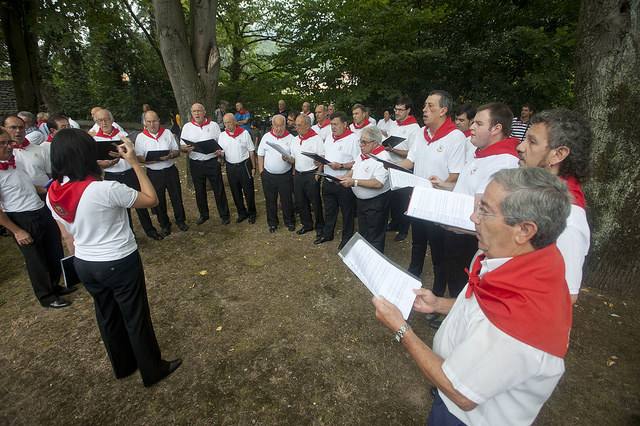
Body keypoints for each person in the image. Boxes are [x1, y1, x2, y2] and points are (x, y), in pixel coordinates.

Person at [373, 167, 573, 426]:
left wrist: (402, 329)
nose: (472, 217)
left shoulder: (521, 323)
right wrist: (441, 304)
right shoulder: (518, 262)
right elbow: (484, 308)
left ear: (524, 231)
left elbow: (461, 393)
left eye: (485, 211)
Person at [47, 128, 182, 387]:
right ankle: (152, 369)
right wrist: (133, 163)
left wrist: (80, 258)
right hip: (118, 260)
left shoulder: (53, 194)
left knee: (106, 313)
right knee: (135, 315)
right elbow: (151, 199)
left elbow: (67, 237)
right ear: (86, 156)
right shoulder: (105, 189)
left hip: (85, 262)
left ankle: (123, 365)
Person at [428, 103, 519, 328]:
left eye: (479, 123)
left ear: (496, 128)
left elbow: (484, 207)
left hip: (469, 236)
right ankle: (453, 317)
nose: (471, 128)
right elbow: (468, 189)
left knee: (464, 284)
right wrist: (445, 186)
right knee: (455, 280)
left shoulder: (504, 161)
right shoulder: (481, 154)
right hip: (456, 230)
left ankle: (460, 326)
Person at [393, 91, 466, 297]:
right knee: (417, 242)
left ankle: (437, 292)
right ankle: (412, 276)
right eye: (424, 105)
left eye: (430, 106)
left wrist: (441, 184)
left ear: (443, 110)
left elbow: (456, 175)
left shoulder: (455, 137)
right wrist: (388, 165)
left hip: (438, 204)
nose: (424, 110)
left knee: (438, 252)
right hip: (418, 200)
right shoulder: (421, 134)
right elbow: (410, 161)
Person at [517, 109, 592, 303]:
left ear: (558, 154)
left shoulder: (569, 221)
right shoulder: (532, 193)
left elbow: (565, 295)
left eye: (532, 142)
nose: (520, 147)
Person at [0, 128, 72, 308]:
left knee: (53, 249)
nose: (9, 146)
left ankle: (55, 285)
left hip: (40, 209)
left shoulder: (14, 162)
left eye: (8, 142)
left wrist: (49, 189)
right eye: (3, 143)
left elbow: (27, 186)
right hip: (21, 218)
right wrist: (17, 231)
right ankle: (47, 296)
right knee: (36, 259)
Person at [93, 109, 162, 241]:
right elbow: (95, 161)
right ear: (96, 122)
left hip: (129, 173)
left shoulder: (123, 135)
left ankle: (150, 230)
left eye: (106, 119)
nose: (103, 123)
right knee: (120, 208)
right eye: (99, 121)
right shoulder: (95, 139)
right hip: (112, 175)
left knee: (140, 202)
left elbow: (133, 154)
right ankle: (129, 234)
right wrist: (105, 163)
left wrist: (122, 156)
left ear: (112, 120)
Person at [135, 110, 188, 236]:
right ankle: (164, 224)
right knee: (159, 200)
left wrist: (170, 155)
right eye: (149, 122)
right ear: (145, 123)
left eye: (154, 121)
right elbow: (139, 157)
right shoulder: (141, 137)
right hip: (154, 173)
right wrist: (155, 158)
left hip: (170, 169)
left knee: (176, 197)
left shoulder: (167, 133)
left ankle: (181, 221)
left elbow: (176, 151)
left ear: (159, 121)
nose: (152, 124)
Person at [339, 126, 391, 252]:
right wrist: (343, 177)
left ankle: (375, 263)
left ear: (375, 143)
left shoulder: (383, 158)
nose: (361, 145)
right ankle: (366, 258)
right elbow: (354, 169)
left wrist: (354, 182)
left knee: (375, 236)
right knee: (364, 232)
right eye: (360, 141)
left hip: (376, 203)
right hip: (362, 202)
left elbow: (378, 183)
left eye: (364, 142)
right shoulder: (364, 154)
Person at [315, 111, 360, 250]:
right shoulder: (329, 137)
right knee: (329, 210)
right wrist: (319, 165)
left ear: (345, 124)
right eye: (331, 124)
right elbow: (325, 155)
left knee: (347, 212)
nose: (333, 127)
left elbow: (358, 162)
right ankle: (328, 234)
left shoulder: (353, 139)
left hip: (344, 183)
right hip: (328, 181)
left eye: (336, 124)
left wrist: (341, 166)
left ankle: (347, 238)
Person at [180, 103, 230, 225]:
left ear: (204, 112)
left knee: (218, 189)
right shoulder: (187, 127)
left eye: (199, 111)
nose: (197, 113)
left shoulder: (213, 125)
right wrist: (185, 148)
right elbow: (182, 146)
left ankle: (224, 215)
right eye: (194, 111)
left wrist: (220, 152)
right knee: (199, 190)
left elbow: (221, 143)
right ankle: (204, 215)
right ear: (191, 113)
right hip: (196, 163)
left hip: (212, 161)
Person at [385, 95, 422, 242]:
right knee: (393, 198)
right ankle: (394, 223)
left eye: (401, 110)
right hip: (391, 165)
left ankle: (404, 229)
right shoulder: (393, 124)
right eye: (396, 109)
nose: (397, 112)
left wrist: (393, 150)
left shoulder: (415, 128)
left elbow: (413, 153)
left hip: (405, 168)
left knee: (403, 200)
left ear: (409, 110)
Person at [257, 115, 295, 232]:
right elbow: (260, 154)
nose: (278, 129)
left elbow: (294, 159)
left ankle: (289, 221)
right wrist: (261, 171)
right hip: (268, 175)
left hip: (285, 175)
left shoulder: (291, 138)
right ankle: (272, 223)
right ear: (272, 125)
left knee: (286, 199)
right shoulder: (266, 137)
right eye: (276, 126)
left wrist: (288, 159)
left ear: (285, 125)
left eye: (281, 126)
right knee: (270, 200)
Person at [218, 113, 257, 223]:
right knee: (235, 191)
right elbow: (221, 152)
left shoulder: (244, 133)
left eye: (229, 122)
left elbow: (251, 150)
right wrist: (219, 155)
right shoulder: (222, 136)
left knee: (248, 191)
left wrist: (253, 167)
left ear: (235, 122)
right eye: (225, 123)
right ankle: (242, 212)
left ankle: (252, 213)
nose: (227, 125)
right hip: (231, 167)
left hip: (244, 165)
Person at [290, 114, 324, 236]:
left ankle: (320, 225)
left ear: (308, 125)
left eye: (299, 125)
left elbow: (322, 157)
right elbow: (294, 158)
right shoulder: (295, 140)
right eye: (296, 125)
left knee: (315, 202)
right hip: (298, 174)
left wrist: (318, 173)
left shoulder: (316, 139)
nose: (296, 127)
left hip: (312, 174)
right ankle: (307, 224)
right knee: (301, 201)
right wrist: (288, 160)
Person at [3, 115, 50, 190]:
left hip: (45, 195)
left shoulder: (41, 149)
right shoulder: (2, 154)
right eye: (13, 127)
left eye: (21, 127)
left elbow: (51, 174)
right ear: (3, 129)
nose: (18, 130)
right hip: (19, 198)